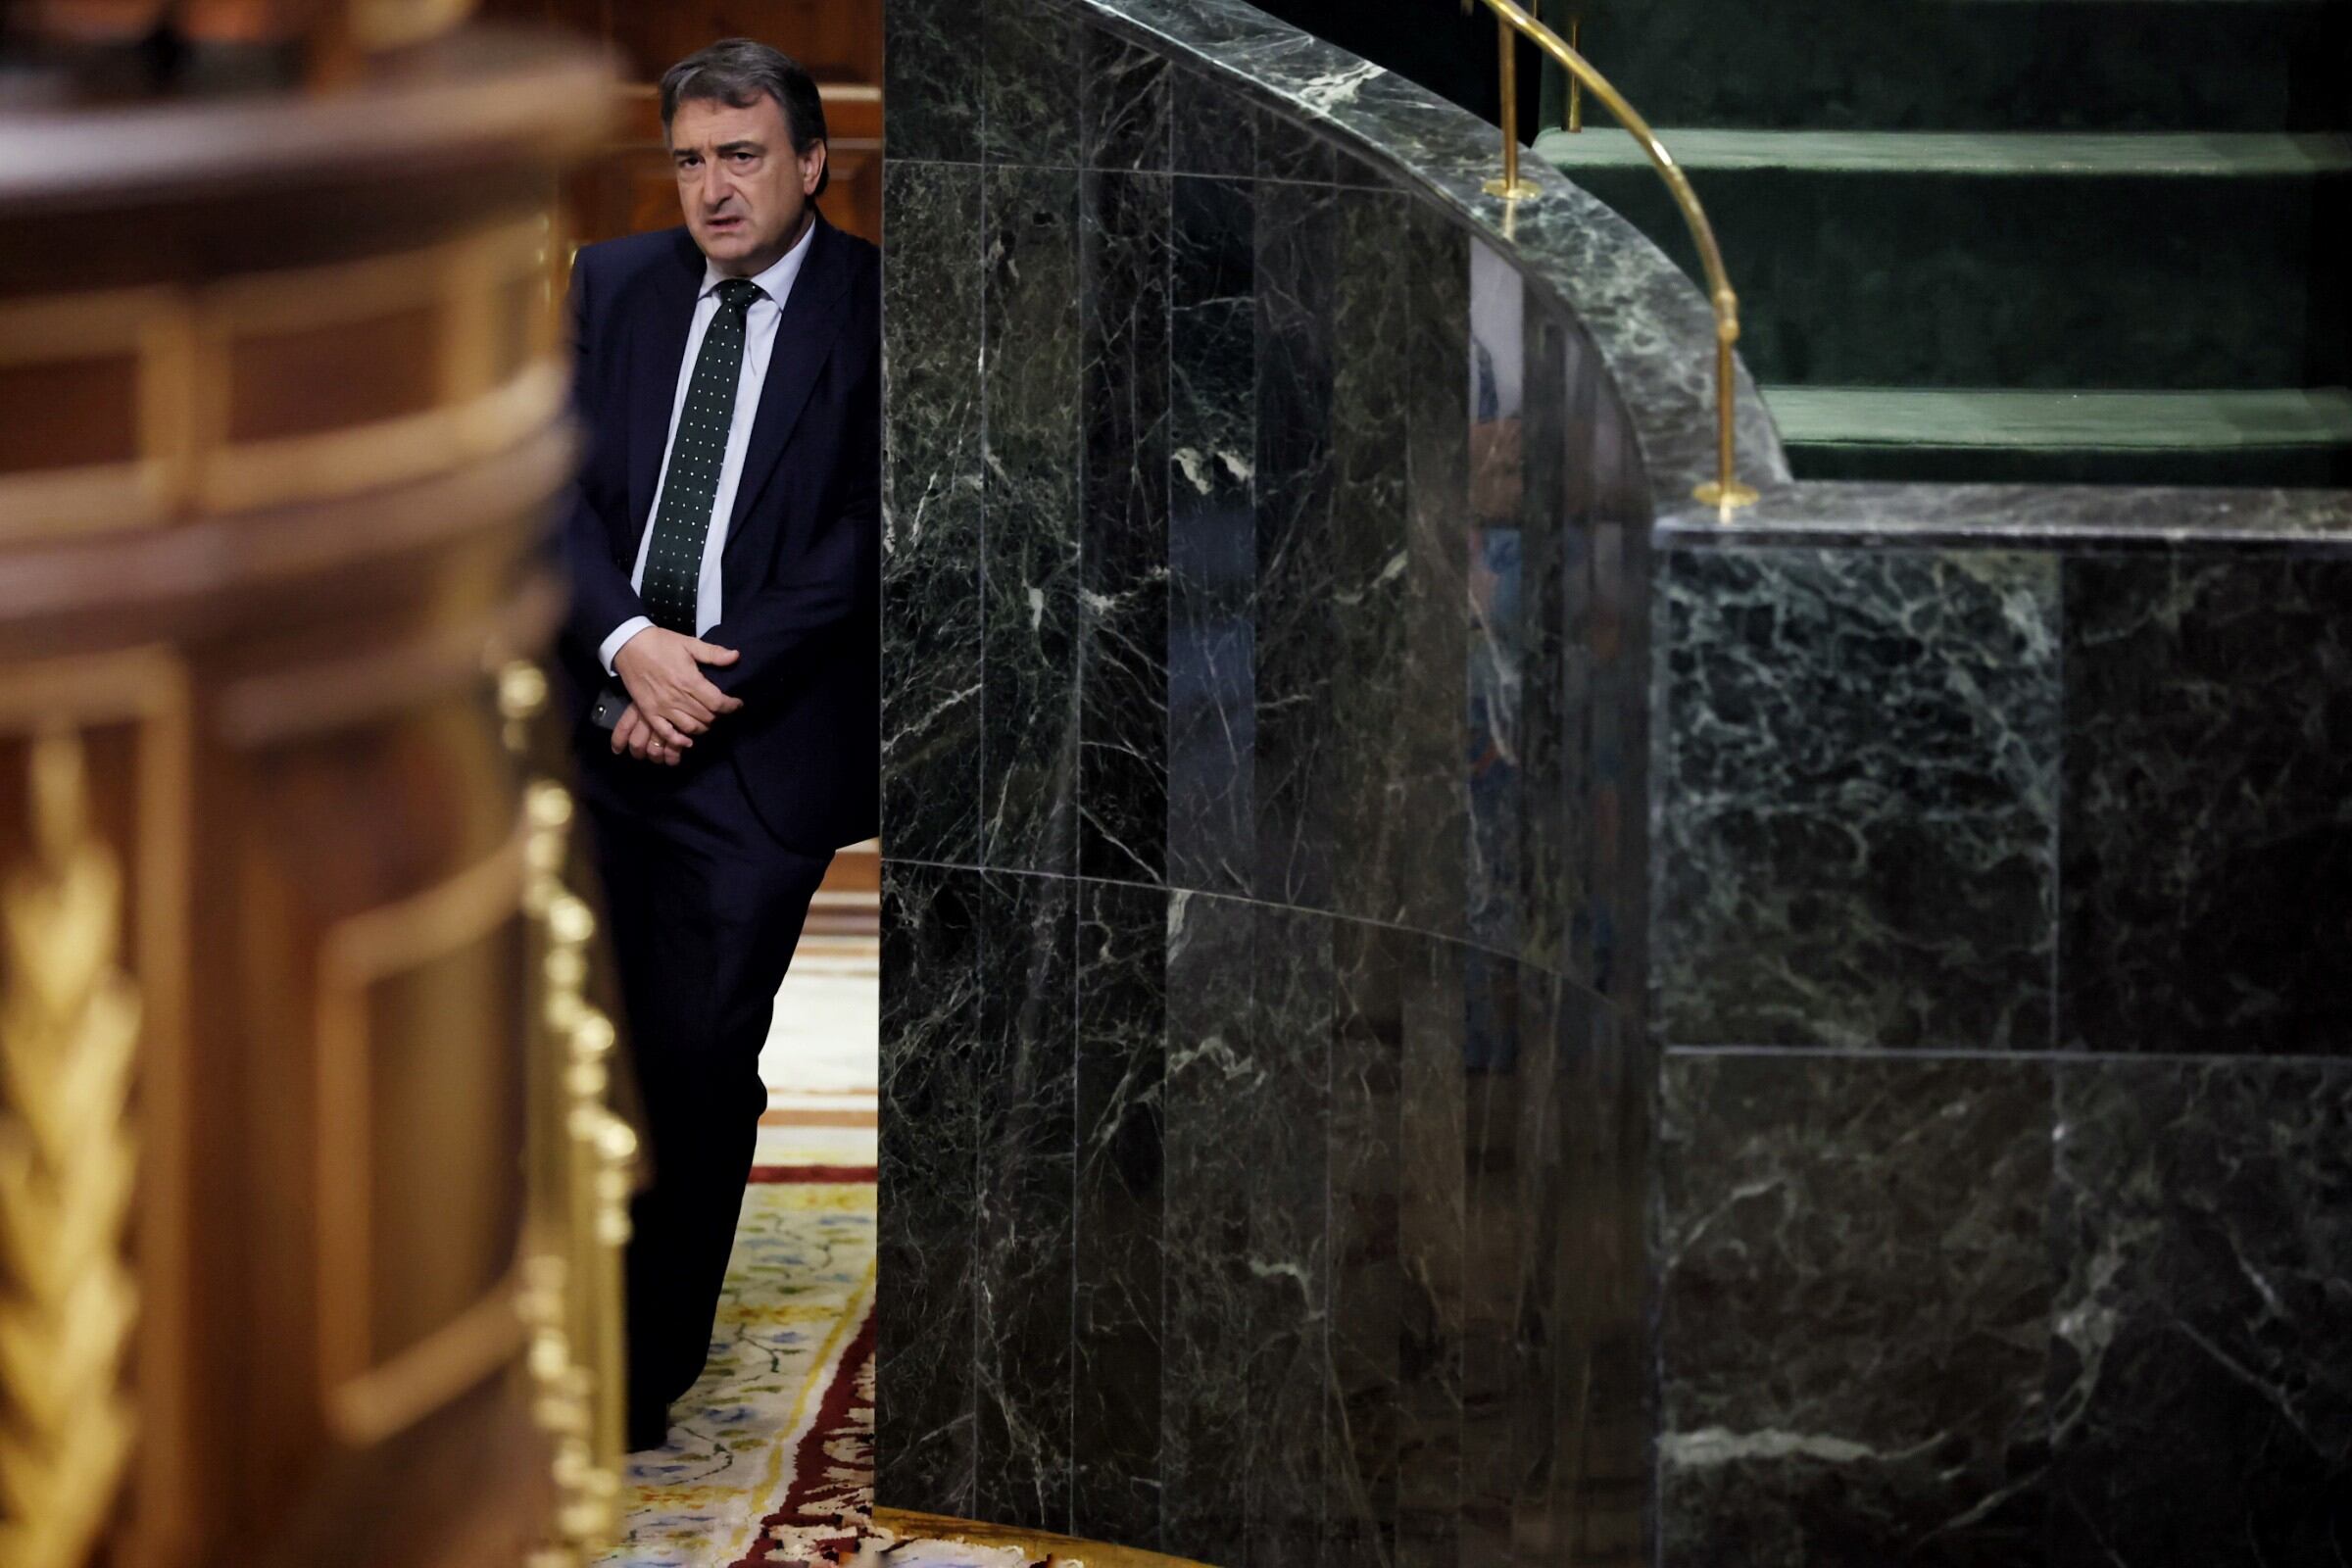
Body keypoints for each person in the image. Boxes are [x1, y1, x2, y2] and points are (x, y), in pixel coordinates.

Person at [555, 36, 879, 1452]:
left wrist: (696, 680)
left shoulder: (879, 304)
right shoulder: (614, 282)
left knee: (694, 1055)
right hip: (594, 721)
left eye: (741, 156)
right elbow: (553, 492)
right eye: (689, 160)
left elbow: (866, 535)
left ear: (811, 161)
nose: (713, 188)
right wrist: (630, 644)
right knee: (576, 1051)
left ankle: (640, 1371)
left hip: (760, 750)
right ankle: (557, 1329)